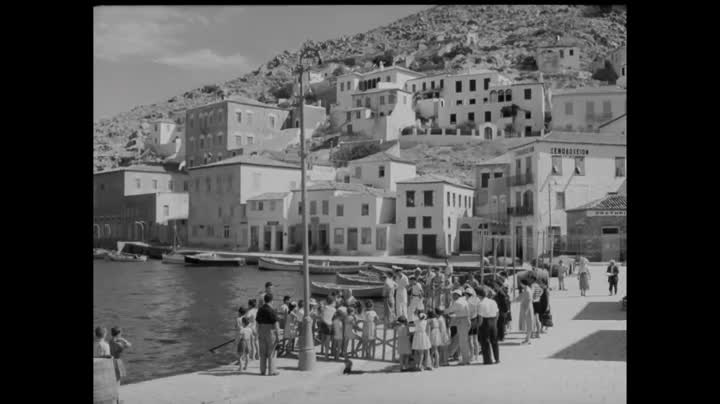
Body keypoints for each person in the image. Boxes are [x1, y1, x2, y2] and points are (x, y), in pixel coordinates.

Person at [256, 293, 280, 376]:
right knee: (271, 352)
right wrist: (278, 336)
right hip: (270, 332)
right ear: (271, 300)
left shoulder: (260, 310)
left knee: (262, 353)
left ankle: (262, 371)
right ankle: (271, 371)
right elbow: (276, 324)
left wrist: (257, 333)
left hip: (261, 331)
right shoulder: (272, 310)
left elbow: (257, 323)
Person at [445, 289, 471, 365]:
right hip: (465, 320)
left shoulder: (457, 302)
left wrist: (441, 311)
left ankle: (465, 360)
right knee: (463, 341)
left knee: (463, 342)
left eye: (453, 295)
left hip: (462, 321)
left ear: (457, 295)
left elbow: (449, 310)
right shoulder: (463, 301)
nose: (452, 296)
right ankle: (466, 358)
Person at [477, 288, 500, 365]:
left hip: (485, 322)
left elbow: (480, 317)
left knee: (485, 342)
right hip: (493, 321)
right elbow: (497, 312)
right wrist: (495, 322)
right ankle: (497, 359)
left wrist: (478, 326)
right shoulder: (493, 301)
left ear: (479, 295)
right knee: (495, 341)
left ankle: (488, 360)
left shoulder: (481, 304)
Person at [515, 279, 535, 344]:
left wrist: (526, 310)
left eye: (521, 283)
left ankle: (528, 339)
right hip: (526, 308)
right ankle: (527, 339)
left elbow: (529, 300)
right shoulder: (526, 290)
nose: (520, 284)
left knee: (529, 324)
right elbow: (521, 297)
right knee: (527, 324)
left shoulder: (528, 290)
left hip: (527, 309)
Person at [465, 287, 481, 362]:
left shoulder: (467, 301)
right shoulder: (477, 300)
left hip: (469, 320)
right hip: (475, 320)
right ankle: (477, 356)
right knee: (475, 339)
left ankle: (471, 356)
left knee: (469, 340)